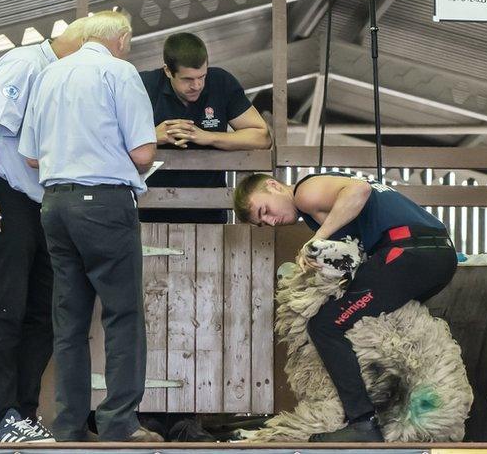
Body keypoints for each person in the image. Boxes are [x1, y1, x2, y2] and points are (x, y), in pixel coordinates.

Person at [19, 10, 162, 442]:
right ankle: (119, 422)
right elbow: (142, 153)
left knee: (70, 320)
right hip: (103, 203)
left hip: (56, 204)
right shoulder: (119, 72)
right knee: (122, 315)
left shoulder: (50, 75)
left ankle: (68, 425)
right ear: (120, 39)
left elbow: (29, 156)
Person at [233, 171, 457, 442]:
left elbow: (359, 191)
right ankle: (385, 407)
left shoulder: (304, 193)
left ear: (272, 185)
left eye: (265, 210)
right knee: (369, 320)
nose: (271, 221)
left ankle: (362, 422)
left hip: (408, 253)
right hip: (436, 254)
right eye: (263, 222)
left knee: (325, 325)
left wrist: (317, 240)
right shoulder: (321, 203)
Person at [0, 17, 88, 443]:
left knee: (45, 312)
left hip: (38, 201)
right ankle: (3, 417)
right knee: (5, 304)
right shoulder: (24, 63)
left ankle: (23, 413)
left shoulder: (64, 78)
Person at [139, 32, 271, 224]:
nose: (197, 85)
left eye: (202, 76)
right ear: (167, 71)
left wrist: (208, 137)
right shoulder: (144, 86)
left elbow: (262, 137)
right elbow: (110, 139)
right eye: (188, 79)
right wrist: (150, 136)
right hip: (150, 210)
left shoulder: (221, 82)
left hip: (211, 211)